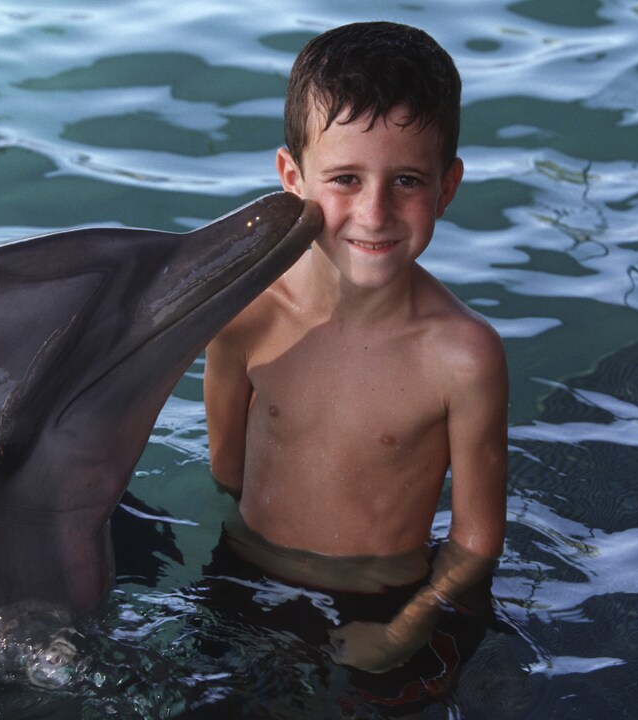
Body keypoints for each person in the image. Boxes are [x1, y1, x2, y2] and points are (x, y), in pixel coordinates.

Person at [202, 20, 508, 688]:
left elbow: (477, 540)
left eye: (407, 181)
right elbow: (226, 466)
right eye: (344, 178)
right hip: (244, 582)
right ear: (292, 177)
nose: (374, 213)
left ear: (447, 187)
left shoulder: (463, 356)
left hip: (384, 604)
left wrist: (408, 627)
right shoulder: (246, 313)